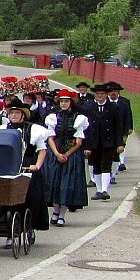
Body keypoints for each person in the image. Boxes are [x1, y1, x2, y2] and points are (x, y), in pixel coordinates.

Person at [0, 101, 49, 248]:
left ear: (22, 115)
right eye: (12, 113)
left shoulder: (33, 130)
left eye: (17, 113)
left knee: (30, 199)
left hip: (28, 166)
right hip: (8, 166)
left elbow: (42, 150)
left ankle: (29, 227)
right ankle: (10, 233)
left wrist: (37, 166)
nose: (14, 115)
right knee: (7, 200)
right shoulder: (2, 129)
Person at [43, 90, 89, 227]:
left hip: (72, 155)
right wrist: (57, 154)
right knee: (55, 183)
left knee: (67, 185)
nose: (63, 103)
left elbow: (79, 141)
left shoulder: (79, 118)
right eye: (62, 101)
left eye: (66, 101)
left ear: (71, 102)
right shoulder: (52, 117)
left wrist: (66, 155)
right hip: (55, 152)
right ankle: (55, 211)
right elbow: (50, 138)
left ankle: (62, 214)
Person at [82, 84, 124, 201]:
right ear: (95, 95)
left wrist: (120, 143)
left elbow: (118, 126)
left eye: (102, 94)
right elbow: (85, 129)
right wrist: (86, 146)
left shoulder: (113, 108)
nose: (100, 96)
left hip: (108, 142)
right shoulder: (89, 108)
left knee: (106, 165)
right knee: (96, 166)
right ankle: (99, 190)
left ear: (106, 95)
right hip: (93, 143)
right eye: (98, 94)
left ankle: (105, 190)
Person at [106, 82, 133, 177]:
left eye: (115, 91)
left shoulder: (124, 102)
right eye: (111, 91)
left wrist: (129, 128)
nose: (113, 93)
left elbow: (128, 116)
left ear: (119, 93)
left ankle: (121, 162)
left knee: (121, 145)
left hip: (121, 129)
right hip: (108, 130)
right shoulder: (105, 102)